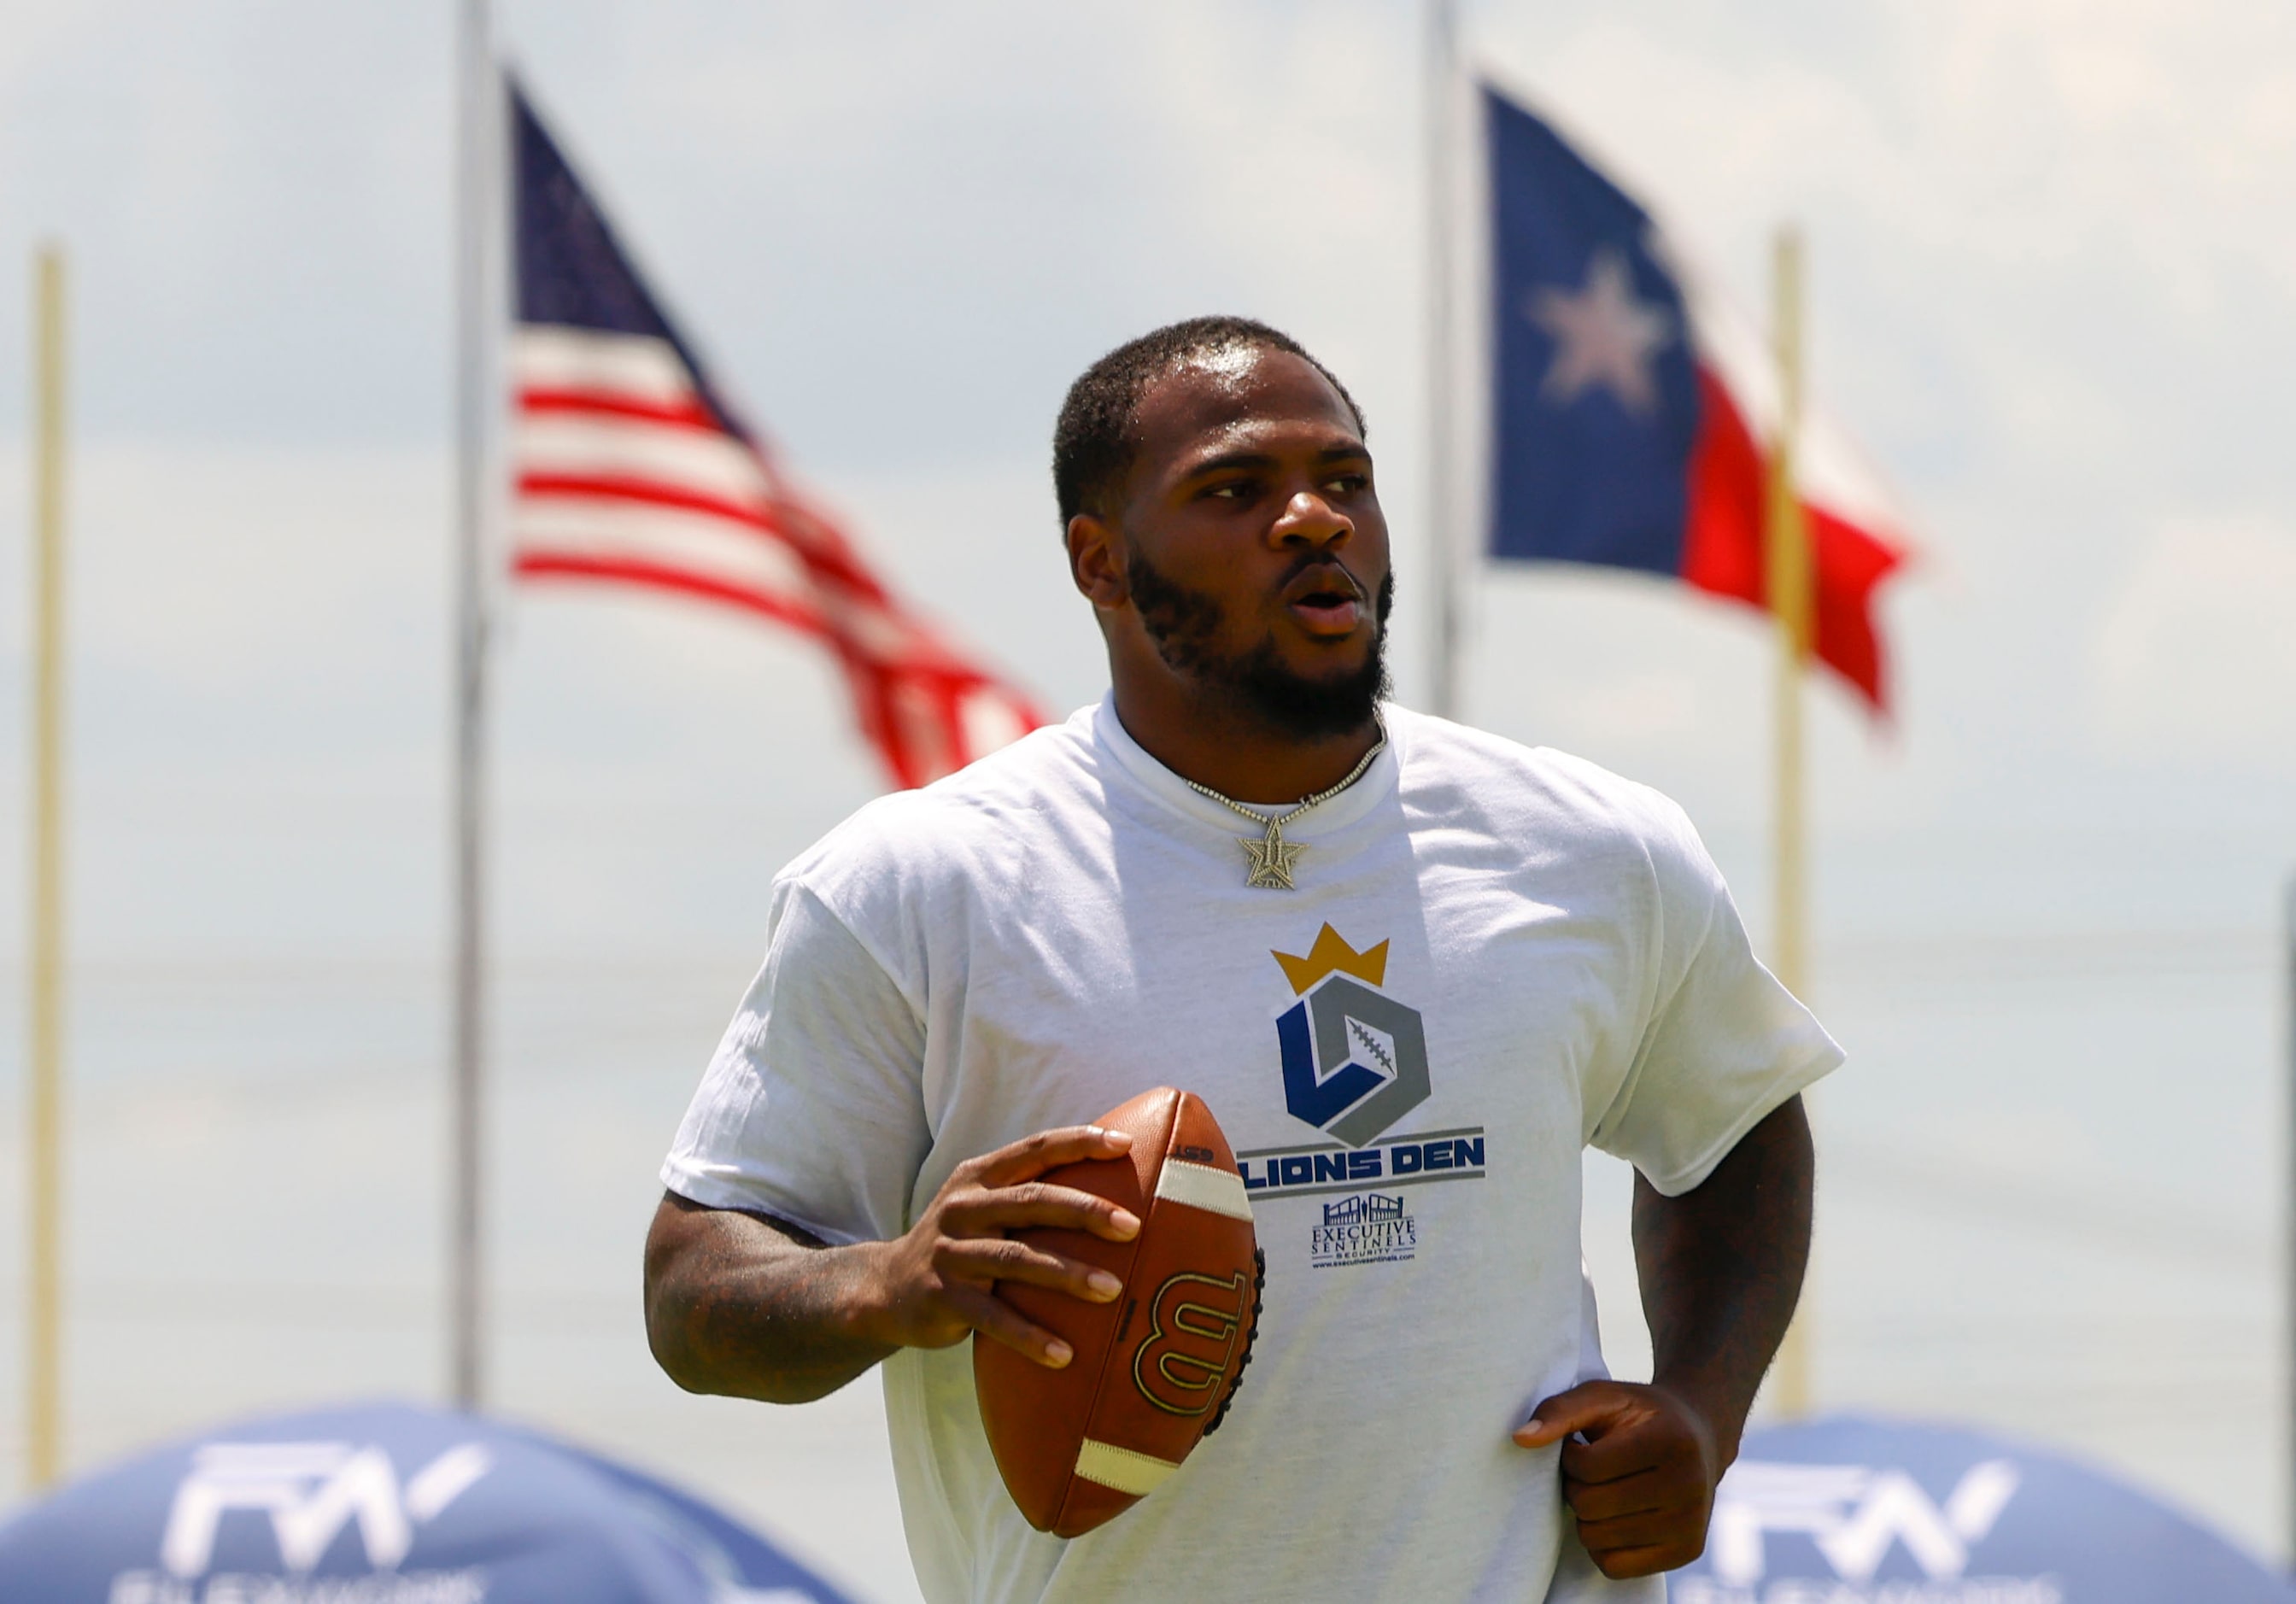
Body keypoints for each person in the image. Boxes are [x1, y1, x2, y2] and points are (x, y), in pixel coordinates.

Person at [644, 316, 1834, 1601]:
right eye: (1234, 488)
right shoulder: (922, 886)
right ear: (1100, 562)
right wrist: (889, 1281)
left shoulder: (1594, 849)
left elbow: (1736, 1130)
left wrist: (1701, 1409)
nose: (1315, 518)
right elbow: (693, 1283)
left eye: (1346, 479)